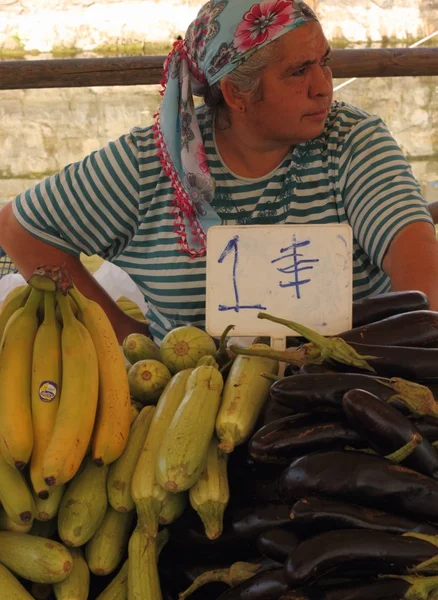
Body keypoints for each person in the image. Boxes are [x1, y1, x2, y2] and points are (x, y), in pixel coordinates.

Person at [1, 0, 438, 344]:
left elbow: (423, 276)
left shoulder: (352, 141)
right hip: (192, 395)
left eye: (324, 60)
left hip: (342, 391)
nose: (323, 85)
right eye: (297, 72)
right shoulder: (154, 161)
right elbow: (21, 227)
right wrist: (121, 334)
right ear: (236, 94)